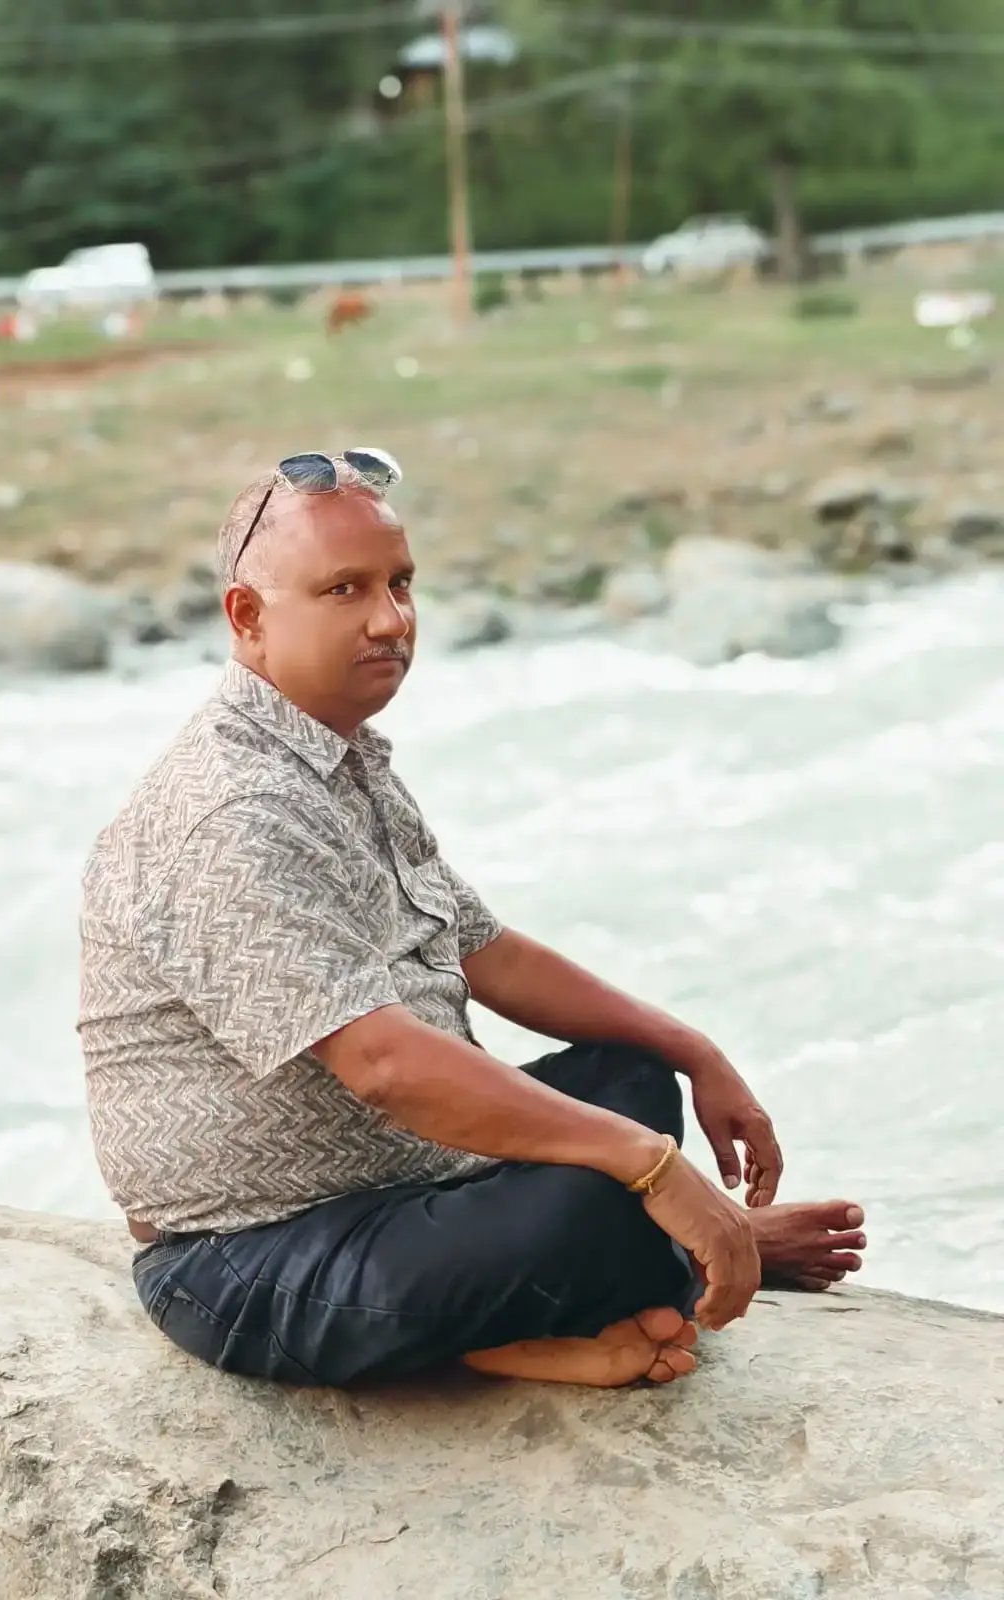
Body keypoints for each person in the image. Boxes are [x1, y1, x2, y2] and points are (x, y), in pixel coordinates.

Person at [78, 448, 866, 1390]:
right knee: (610, 1188)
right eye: (344, 590)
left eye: (400, 584)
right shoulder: (229, 811)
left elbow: (485, 952)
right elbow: (382, 1064)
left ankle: (616, 1280)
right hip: (250, 1262)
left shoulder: (343, 758)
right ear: (247, 617)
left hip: (408, 1194)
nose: (390, 620)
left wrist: (693, 1048)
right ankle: (603, 1295)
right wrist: (663, 1180)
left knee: (632, 1078)